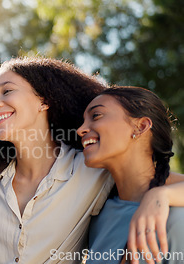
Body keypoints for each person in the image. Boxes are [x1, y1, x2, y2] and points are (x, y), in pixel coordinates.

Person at [0, 56, 184, 264]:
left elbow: (149, 177)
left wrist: (160, 196)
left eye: (7, 91)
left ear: (44, 100)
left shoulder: (91, 169)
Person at [78, 86, 184, 264]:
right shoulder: (98, 215)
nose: (80, 129)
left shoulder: (175, 219)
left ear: (141, 126)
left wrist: (159, 195)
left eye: (96, 116)